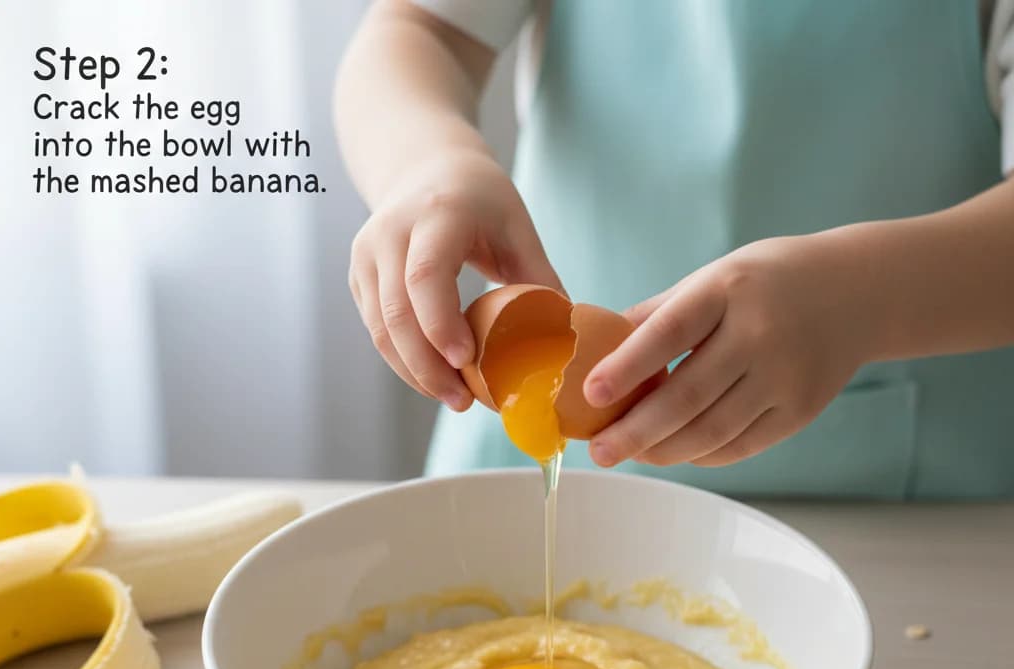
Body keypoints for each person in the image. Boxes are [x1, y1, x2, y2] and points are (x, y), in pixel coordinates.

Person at [335, 0, 1014, 499]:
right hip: (527, 453)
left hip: (901, 513)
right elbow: (420, 30)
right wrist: (426, 164)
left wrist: (864, 301)